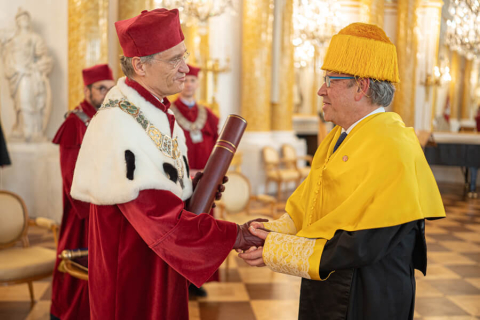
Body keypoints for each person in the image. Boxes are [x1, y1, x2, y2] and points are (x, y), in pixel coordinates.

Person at [238, 22, 446, 320]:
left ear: (361, 86)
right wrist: (267, 232)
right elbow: (308, 208)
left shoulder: (394, 146)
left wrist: (275, 251)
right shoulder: (339, 136)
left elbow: (363, 244)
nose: (321, 90)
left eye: (331, 80)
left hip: (367, 295)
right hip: (327, 283)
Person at [70, 8, 263, 320]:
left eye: (183, 56)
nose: (185, 68)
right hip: (131, 274)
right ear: (139, 65)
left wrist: (193, 188)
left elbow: (161, 195)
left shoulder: (157, 113)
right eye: (174, 59)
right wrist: (238, 235)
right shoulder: (118, 123)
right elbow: (155, 214)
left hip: (158, 261)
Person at [51, 64, 115, 320]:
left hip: (107, 206)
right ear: (87, 90)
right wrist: (94, 210)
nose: (107, 94)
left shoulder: (108, 118)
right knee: (78, 263)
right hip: (85, 212)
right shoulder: (73, 123)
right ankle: (66, 314)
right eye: (101, 89)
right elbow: (70, 178)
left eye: (111, 89)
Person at [171, 64, 220, 297]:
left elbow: (219, 148)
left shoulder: (208, 115)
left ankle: (197, 280)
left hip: (205, 181)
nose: (189, 85)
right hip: (179, 181)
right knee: (181, 230)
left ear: (197, 84)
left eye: (193, 81)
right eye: (186, 80)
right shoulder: (169, 112)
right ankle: (177, 278)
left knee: (203, 229)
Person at [2, 8, 53, 142]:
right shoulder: (12, 40)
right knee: (20, 104)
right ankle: (22, 129)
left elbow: (43, 57)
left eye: (26, 18)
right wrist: (14, 67)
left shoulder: (35, 38)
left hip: (29, 75)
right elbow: (7, 57)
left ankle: (32, 131)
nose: (24, 20)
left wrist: (37, 66)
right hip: (16, 74)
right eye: (21, 18)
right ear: (17, 22)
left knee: (29, 103)